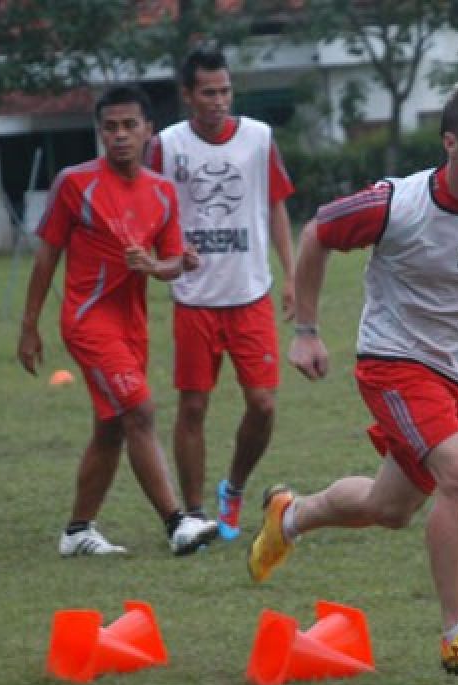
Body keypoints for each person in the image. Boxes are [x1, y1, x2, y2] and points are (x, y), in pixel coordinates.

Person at [247, 81, 458, 678]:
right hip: (391, 362)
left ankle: (289, 516)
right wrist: (308, 330)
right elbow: (318, 230)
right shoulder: (397, 203)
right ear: (450, 143)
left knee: (389, 505)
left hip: (455, 374)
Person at [17, 85, 219, 558]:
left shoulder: (163, 192)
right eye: (110, 127)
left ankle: (77, 531)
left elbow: (170, 263)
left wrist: (161, 265)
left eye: (130, 126)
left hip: (132, 327)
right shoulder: (75, 183)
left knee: (111, 428)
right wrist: (30, 325)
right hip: (88, 322)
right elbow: (46, 256)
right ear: (100, 133)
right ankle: (178, 524)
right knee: (141, 411)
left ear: (149, 130)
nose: (120, 135)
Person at [147, 47, 297, 541]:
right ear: (188, 95)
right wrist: (166, 255)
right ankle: (193, 515)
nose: (218, 101)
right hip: (193, 298)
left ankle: (232, 488)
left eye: (225, 91)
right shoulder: (166, 145)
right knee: (192, 407)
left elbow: (276, 207)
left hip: (250, 293)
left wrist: (291, 274)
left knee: (264, 405)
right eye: (208, 92)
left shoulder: (258, 138)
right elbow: (151, 211)